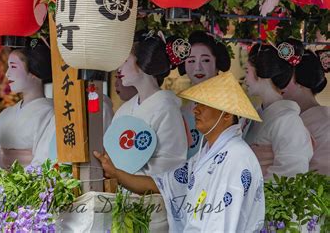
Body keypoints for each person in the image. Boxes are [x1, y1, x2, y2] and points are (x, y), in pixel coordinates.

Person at [95, 72, 265, 232]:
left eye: (204, 105)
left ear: (226, 115)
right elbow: (160, 184)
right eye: (196, 104)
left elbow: (225, 222)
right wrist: (115, 172)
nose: (195, 110)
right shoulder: (204, 155)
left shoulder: (237, 157)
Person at [111, 32, 187, 175]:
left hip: (149, 193)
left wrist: (127, 177)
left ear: (142, 63)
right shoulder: (125, 109)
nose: (119, 68)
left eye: (126, 60)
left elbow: (169, 163)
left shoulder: (167, 108)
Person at [253, 42, 329, 176]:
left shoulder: (325, 124)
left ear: (302, 81)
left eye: (285, 76)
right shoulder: (274, 112)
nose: (278, 81)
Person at [244, 42, 313, 180]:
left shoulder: (288, 121)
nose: (245, 79)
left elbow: (291, 173)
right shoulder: (258, 115)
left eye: (247, 72)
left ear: (262, 73)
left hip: (265, 197)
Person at [0, 38, 55, 168]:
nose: (7, 74)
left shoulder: (52, 114)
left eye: (13, 66)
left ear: (34, 70)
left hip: (33, 184)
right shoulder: (5, 115)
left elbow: (42, 163)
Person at [177, 31, 231, 159]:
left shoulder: (228, 107)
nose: (198, 68)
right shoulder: (182, 110)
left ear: (217, 63)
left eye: (205, 60)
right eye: (191, 61)